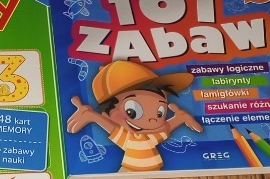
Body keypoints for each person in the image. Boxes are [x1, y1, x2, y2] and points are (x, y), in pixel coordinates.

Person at [67, 61, 202, 173]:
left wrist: (181, 117)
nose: (153, 120)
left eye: (160, 112)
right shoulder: (129, 139)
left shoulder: (149, 137)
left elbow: (167, 127)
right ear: (107, 114)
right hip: (130, 174)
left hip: (155, 174)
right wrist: (93, 116)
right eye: (133, 111)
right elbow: (112, 128)